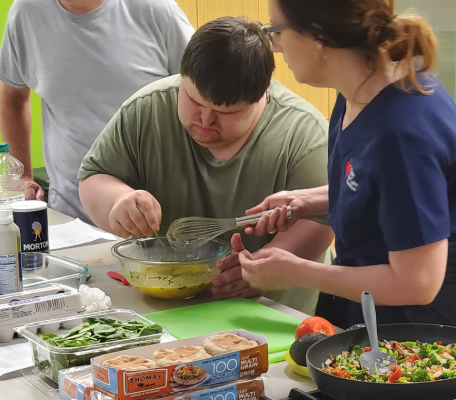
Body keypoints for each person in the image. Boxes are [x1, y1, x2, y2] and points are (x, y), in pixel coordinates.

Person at [78, 17, 335, 314]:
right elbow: (94, 176)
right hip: (167, 305)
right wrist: (117, 201)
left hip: (274, 313)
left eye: (225, 112)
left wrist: (262, 271)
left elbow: (319, 220)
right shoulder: (146, 110)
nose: (204, 120)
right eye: (193, 100)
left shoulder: (304, 133)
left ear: (262, 93)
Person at [236, 0, 456, 327]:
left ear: (318, 38)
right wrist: (307, 201)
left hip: (415, 339)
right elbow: (382, 190)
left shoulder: (401, 133)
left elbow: (418, 283)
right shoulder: (357, 91)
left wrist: (296, 271)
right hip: (364, 313)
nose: (276, 46)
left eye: (278, 30)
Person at [0, 0, 194, 223]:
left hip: (158, 211)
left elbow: (201, 88)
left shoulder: (155, 9)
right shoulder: (27, 12)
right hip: (70, 213)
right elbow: (13, 96)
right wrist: (22, 176)